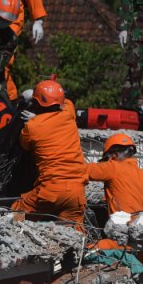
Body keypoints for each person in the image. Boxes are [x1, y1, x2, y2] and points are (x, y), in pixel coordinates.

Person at [11, 80, 88, 230]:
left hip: (50, 190)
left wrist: (35, 119)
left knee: (16, 213)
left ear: (36, 103)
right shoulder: (69, 114)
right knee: (73, 236)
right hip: (77, 193)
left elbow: (24, 145)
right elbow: (68, 103)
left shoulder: (32, 127)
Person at [89, 133, 143, 215]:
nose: (105, 162)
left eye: (106, 158)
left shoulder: (112, 167)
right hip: (140, 227)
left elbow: (80, 171)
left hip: (119, 229)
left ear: (114, 154)